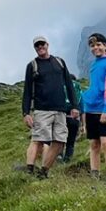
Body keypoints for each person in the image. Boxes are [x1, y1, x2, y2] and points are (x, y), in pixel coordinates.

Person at [20, 38, 79, 179]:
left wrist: (74, 106)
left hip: (60, 110)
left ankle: (43, 171)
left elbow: (69, 85)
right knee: (38, 139)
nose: (40, 47)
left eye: (42, 44)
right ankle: (29, 170)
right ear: (35, 48)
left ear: (47, 45)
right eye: (37, 45)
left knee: (60, 141)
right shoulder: (32, 65)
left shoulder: (59, 62)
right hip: (42, 109)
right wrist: (26, 113)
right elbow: (27, 90)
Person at [80, 32, 106, 177]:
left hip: (103, 109)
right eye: (92, 45)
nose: (95, 48)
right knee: (93, 144)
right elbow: (94, 85)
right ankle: (94, 176)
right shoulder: (93, 64)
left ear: (105, 46)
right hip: (90, 109)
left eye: (98, 44)